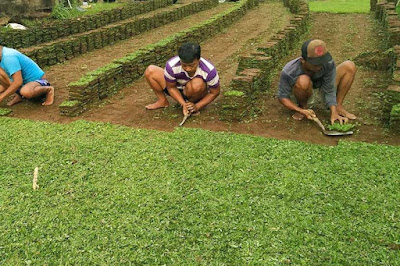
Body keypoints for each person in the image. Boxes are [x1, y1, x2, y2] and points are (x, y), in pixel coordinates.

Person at [277, 39, 357, 124]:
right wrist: (300, 110)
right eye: (315, 63)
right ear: (303, 60)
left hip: (321, 87)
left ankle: (338, 107)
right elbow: (282, 97)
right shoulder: (289, 70)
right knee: (303, 80)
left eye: (321, 61)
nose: (320, 66)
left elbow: (330, 88)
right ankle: (303, 107)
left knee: (349, 66)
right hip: (301, 91)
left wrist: (334, 112)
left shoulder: (327, 63)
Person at [145, 42, 220, 116]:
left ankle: (191, 105)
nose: (187, 69)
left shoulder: (209, 70)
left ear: (198, 59)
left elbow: (214, 92)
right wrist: (183, 104)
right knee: (151, 71)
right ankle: (162, 101)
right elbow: (171, 87)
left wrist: (197, 106)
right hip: (178, 88)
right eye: (184, 65)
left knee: (197, 84)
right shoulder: (171, 65)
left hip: (196, 91)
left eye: (191, 65)